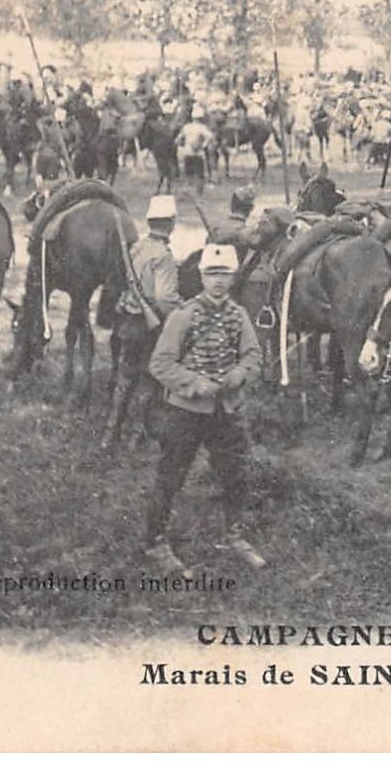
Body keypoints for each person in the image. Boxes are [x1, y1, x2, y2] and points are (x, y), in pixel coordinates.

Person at [144, 244, 265, 575]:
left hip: (226, 411)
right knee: (171, 477)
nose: (218, 282)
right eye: (212, 274)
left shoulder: (238, 315)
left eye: (225, 274)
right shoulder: (183, 316)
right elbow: (160, 364)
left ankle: (233, 535)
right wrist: (195, 383)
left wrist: (239, 374)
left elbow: (254, 355)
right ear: (201, 277)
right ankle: (156, 542)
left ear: (233, 276)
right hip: (185, 413)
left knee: (237, 474)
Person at [108, 196, 183, 448]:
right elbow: (165, 299)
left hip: (127, 321)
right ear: (171, 223)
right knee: (150, 377)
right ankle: (137, 435)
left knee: (125, 376)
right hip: (149, 325)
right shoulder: (163, 255)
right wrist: (180, 313)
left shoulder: (136, 249)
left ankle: (110, 433)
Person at [177, 107, 214, 195]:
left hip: (187, 151)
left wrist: (182, 146)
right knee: (199, 174)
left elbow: (178, 139)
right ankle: (199, 192)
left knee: (187, 173)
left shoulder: (186, 127)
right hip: (198, 153)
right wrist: (204, 145)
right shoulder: (202, 127)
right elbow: (210, 137)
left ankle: (186, 191)